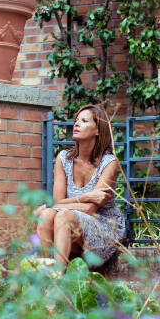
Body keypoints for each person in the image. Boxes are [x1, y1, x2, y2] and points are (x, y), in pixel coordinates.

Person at [37, 104, 124, 269]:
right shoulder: (64, 159)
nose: (76, 124)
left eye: (84, 121)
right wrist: (85, 197)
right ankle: (45, 279)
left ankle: (57, 279)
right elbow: (56, 203)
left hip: (103, 227)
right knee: (47, 215)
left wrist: (66, 204)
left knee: (62, 216)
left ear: (97, 130)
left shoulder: (109, 163)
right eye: (76, 120)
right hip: (72, 228)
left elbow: (90, 209)